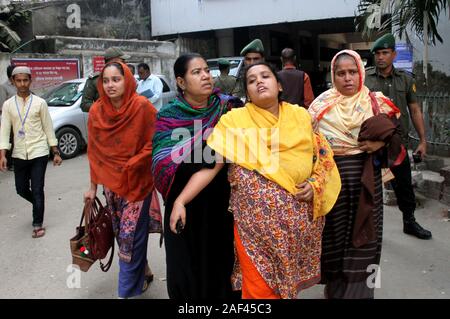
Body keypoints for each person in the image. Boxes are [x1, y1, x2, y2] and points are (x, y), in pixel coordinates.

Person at [167, 61, 341, 299]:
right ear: (246, 93)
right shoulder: (234, 122)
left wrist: (315, 186)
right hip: (253, 231)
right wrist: (181, 201)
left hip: (295, 229)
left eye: (265, 76)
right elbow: (212, 165)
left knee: (283, 292)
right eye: (251, 80)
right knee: (260, 292)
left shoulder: (301, 117)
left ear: (278, 85)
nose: (259, 81)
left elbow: (323, 159)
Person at [309, 50, 406, 299]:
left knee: (368, 238)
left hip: (367, 181)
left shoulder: (376, 102)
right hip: (334, 183)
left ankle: (363, 293)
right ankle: (335, 290)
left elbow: (398, 136)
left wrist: (380, 145)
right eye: (341, 73)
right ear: (333, 75)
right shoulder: (319, 108)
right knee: (335, 239)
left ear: (361, 72)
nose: (347, 78)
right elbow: (306, 147)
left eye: (352, 72)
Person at [152, 53, 242, 299]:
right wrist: (209, 149)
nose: (205, 76)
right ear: (181, 82)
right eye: (196, 72)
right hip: (184, 204)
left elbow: (244, 149)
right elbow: (161, 164)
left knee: (222, 267)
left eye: (206, 70)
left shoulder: (229, 107)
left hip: (222, 204)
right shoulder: (168, 117)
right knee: (186, 273)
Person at [83, 61, 161, 299]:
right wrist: (92, 186)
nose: (110, 85)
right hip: (111, 186)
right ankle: (144, 271)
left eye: (116, 79)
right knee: (124, 236)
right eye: (105, 81)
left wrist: (136, 161)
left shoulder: (142, 107)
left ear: (127, 80)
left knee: (127, 244)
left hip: (138, 185)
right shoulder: (97, 111)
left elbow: (156, 140)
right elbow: (94, 152)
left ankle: (127, 294)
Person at [365, 33, 432, 240]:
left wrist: (422, 140)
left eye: (385, 53)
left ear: (394, 54)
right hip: (373, 144)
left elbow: (415, 110)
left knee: (404, 185)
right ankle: (371, 230)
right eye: (377, 53)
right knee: (370, 188)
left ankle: (409, 222)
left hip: (398, 144)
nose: (381, 57)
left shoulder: (406, 79)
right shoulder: (365, 78)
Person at [0, 66, 62, 238]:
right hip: (19, 153)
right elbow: (4, 131)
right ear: (13, 82)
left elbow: (48, 129)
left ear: (30, 80)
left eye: (25, 80)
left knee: (37, 188)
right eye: (18, 81)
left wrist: (55, 152)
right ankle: (38, 203)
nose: (22, 84)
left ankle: (37, 223)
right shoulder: (8, 105)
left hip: (39, 151)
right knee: (20, 189)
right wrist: (3, 154)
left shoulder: (40, 103)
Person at [81, 47, 131, 112]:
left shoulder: (125, 77)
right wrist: (104, 108)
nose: (125, 63)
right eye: (122, 61)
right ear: (113, 61)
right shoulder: (95, 80)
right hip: (104, 120)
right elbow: (84, 105)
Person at [0, 65, 17, 171]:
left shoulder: (18, 84)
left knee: (18, 139)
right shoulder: (4, 87)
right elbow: (2, 103)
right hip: (9, 118)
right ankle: (10, 163)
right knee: (10, 140)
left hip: (20, 117)